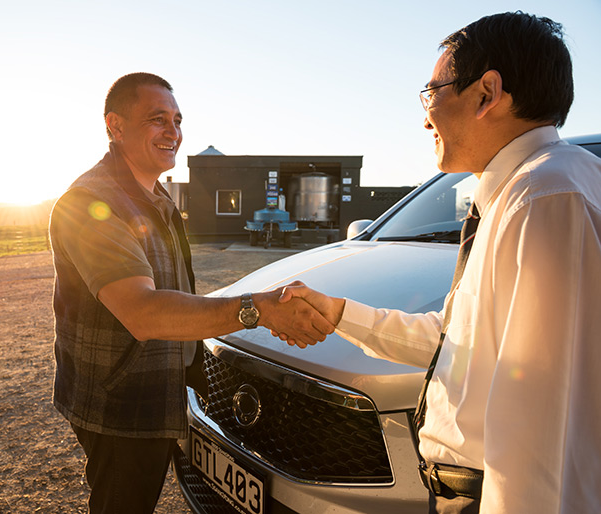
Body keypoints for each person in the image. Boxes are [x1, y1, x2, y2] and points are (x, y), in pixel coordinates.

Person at [277, 12, 601, 514]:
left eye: (432, 93)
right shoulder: (524, 193)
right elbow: (458, 343)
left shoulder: (546, 197)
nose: (424, 116)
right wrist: (339, 313)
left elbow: (544, 419)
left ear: (486, 93)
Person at [48, 72, 334, 513]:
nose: (174, 132)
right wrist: (259, 310)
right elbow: (143, 312)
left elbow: (175, 290)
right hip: (121, 402)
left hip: (164, 387)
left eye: (178, 120)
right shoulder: (89, 202)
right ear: (115, 125)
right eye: (156, 119)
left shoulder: (157, 197)